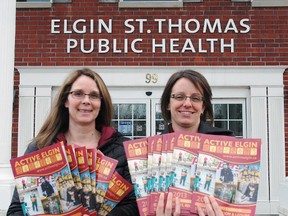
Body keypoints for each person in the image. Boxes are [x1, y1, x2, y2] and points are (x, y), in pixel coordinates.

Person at [7, 68, 138, 215]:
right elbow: (16, 210)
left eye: (94, 96)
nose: (86, 101)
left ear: (101, 103)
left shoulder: (122, 149)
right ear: (65, 101)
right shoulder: (40, 147)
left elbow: (134, 207)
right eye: (78, 94)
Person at [157, 69, 234, 215]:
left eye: (196, 98)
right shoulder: (150, 152)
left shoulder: (227, 144)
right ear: (168, 103)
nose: (187, 104)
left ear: (203, 106)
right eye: (179, 97)